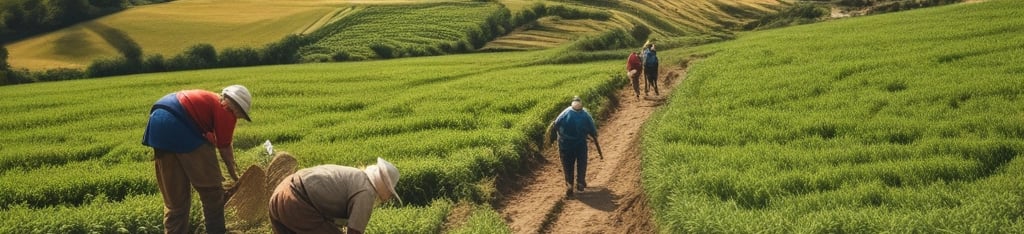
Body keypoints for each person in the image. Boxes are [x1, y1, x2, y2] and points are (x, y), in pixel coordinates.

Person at [142, 85, 252, 234]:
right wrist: (235, 176)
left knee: (176, 204)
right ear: (237, 108)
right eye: (241, 115)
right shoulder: (226, 109)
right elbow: (224, 147)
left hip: (158, 123)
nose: (238, 118)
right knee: (212, 194)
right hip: (180, 123)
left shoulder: (209, 100)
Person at [269, 158, 402, 234]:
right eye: (390, 190)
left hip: (281, 193)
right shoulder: (367, 192)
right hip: (295, 202)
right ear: (384, 185)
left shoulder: (356, 176)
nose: (389, 196)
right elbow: (354, 232)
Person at [547, 96, 598, 197]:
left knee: (567, 165)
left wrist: (556, 137)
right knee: (582, 162)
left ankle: (569, 185)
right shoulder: (585, 114)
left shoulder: (565, 113)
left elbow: (556, 124)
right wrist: (593, 135)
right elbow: (592, 129)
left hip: (565, 145)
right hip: (580, 144)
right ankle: (580, 182)